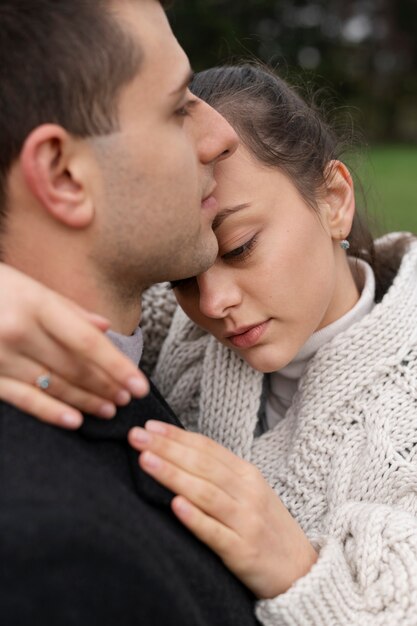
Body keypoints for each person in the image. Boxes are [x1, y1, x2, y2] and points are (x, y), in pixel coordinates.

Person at [1, 61, 416, 624]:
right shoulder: (175, 330)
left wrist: (296, 567)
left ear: (334, 200)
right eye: (184, 277)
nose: (214, 302)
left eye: (241, 247)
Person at [0, 2, 263, 625]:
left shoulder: (153, 352)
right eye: (178, 107)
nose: (220, 136)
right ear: (63, 174)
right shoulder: (52, 554)